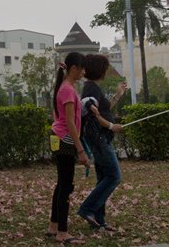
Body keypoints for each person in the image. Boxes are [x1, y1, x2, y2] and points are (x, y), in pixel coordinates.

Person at [76, 54, 127, 232]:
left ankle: (98, 220)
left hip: (100, 138)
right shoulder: (91, 89)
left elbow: (104, 109)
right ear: (99, 69)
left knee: (103, 178)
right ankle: (87, 209)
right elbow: (95, 117)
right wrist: (112, 126)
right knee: (114, 176)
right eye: (105, 68)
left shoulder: (93, 88)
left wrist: (118, 95)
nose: (106, 71)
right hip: (98, 138)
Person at [46, 52, 90, 245]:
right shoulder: (67, 90)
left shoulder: (67, 88)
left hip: (59, 137)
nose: (84, 72)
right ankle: (62, 232)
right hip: (65, 140)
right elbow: (71, 124)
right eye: (82, 68)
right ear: (74, 68)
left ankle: (54, 225)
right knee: (66, 186)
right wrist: (80, 150)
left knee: (62, 183)